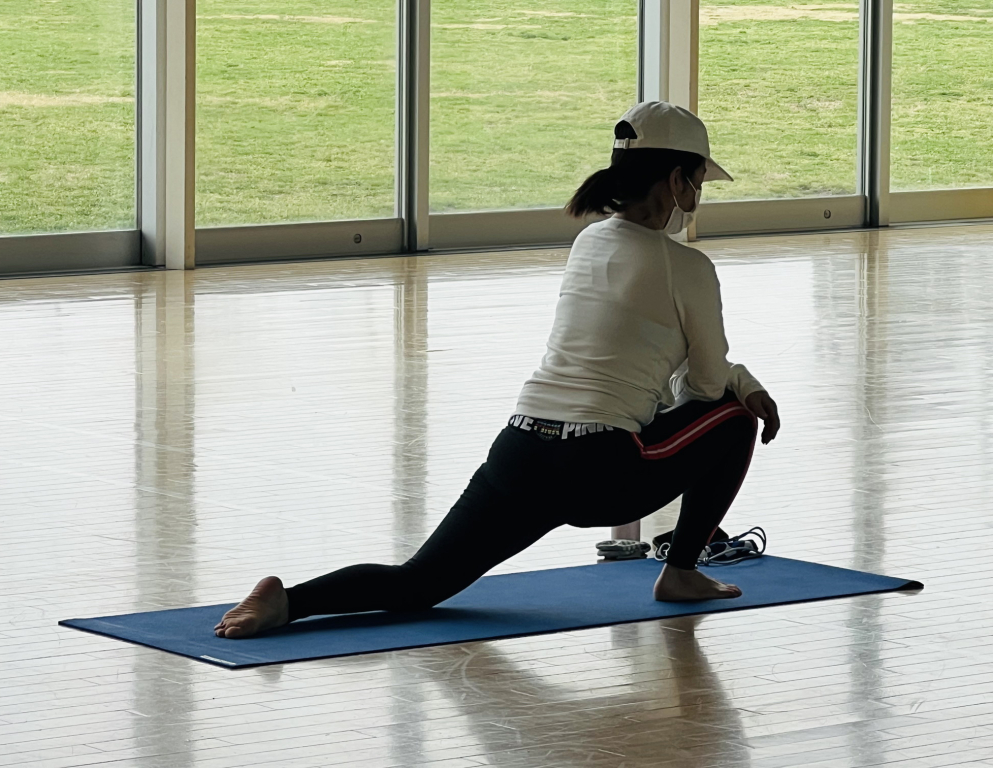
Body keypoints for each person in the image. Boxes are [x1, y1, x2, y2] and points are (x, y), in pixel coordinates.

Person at [214, 101, 781, 639]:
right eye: (698, 184)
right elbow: (707, 387)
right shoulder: (689, 267)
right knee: (734, 419)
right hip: (599, 469)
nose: (697, 199)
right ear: (676, 181)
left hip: (522, 452)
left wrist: (721, 377)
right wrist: (742, 382)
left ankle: (289, 601)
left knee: (420, 582)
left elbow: (646, 355)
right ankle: (681, 571)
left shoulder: (589, 242)